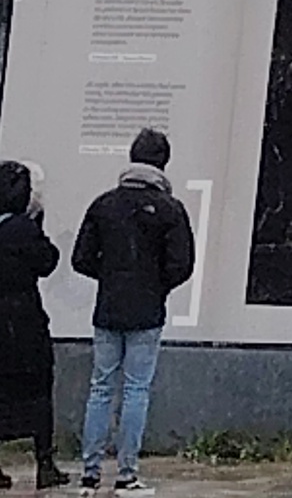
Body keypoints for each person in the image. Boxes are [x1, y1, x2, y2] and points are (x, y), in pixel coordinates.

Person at [72, 128, 191, 495]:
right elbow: (181, 264)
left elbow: (81, 259)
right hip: (147, 311)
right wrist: (156, 285)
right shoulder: (170, 209)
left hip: (108, 308)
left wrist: (110, 276)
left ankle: (89, 475)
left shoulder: (103, 204)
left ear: (131, 157)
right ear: (163, 162)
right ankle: (127, 474)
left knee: (100, 388)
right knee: (137, 389)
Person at [0, 164, 65, 489]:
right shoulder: (23, 230)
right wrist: (37, 224)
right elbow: (47, 261)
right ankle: (45, 463)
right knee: (38, 391)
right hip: (23, 320)